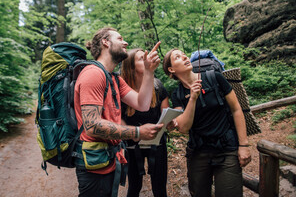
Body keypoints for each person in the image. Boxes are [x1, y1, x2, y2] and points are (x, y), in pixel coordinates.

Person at [73, 27, 164, 197]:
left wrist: (149, 71)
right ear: (105, 42)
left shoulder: (114, 78)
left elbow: (142, 104)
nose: (126, 42)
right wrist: (137, 132)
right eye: (120, 38)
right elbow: (92, 125)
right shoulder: (93, 74)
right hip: (94, 166)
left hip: (108, 160)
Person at [163, 48, 251, 197]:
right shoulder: (177, 94)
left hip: (226, 149)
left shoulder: (214, 78)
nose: (184, 56)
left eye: (183, 54)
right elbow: (183, 127)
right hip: (198, 153)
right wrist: (192, 99)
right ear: (171, 69)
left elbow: (236, 109)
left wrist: (243, 145)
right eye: (177, 57)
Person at [120, 48, 170, 197]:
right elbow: (118, 121)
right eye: (142, 58)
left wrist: (170, 123)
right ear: (131, 66)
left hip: (157, 143)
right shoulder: (122, 90)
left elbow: (166, 115)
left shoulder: (158, 86)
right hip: (132, 143)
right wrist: (135, 132)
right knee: (134, 187)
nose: (147, 60)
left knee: (160, 188)